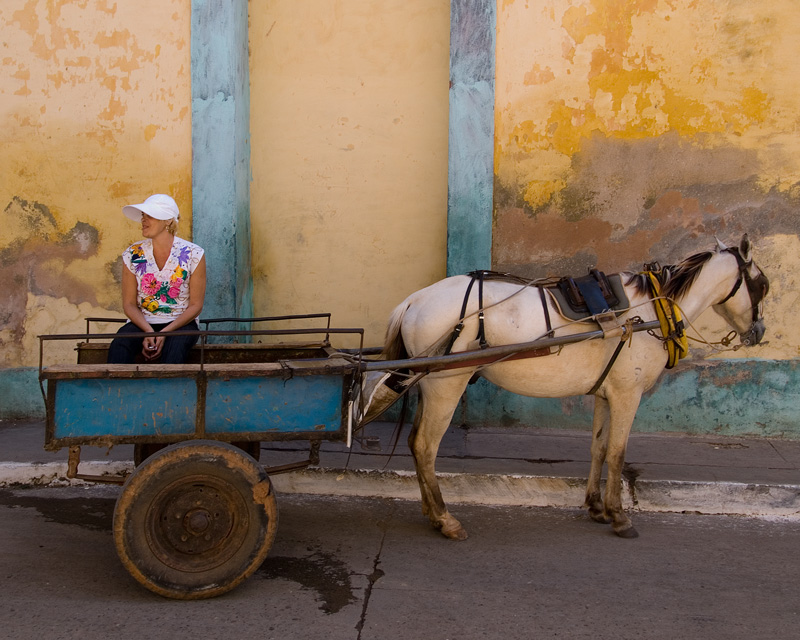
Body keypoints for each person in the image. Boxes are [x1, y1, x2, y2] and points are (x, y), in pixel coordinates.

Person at [107, 194, 206, 364]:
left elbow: (196, 305)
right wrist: (149, 331)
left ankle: (169, 391)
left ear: (168, 220)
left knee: (174, 352)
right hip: (142, 323)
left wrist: (164, 333)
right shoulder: (133, 254)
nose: (143, 220)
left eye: (150, 216)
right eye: (143, 216)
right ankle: (117, 390)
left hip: (181, 324)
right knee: (120, 345)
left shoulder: (193, 254)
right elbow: (129, 304)